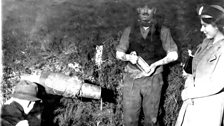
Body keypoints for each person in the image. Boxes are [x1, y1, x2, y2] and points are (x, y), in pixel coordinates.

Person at [116, 4, 178, 126]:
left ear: (154, 10)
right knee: (129, 119)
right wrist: (128, 57)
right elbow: (119, 53)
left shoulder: (164, 31)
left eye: (149, 8)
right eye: (141, 7)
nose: (145, 11)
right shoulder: (129, 30)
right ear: (137, 10)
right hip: (132, 79)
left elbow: (174, 55)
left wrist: (156, 64)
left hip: (154, 80)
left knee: (151, 119)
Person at [175, 4, 224, 126]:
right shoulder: (206, 44)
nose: (202, 30)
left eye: (204, 26)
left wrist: (188, 93)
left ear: (216, 25)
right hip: (193, 103)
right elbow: (193, 70)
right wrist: (189, 82)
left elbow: (217, 84)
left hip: (209, 107)